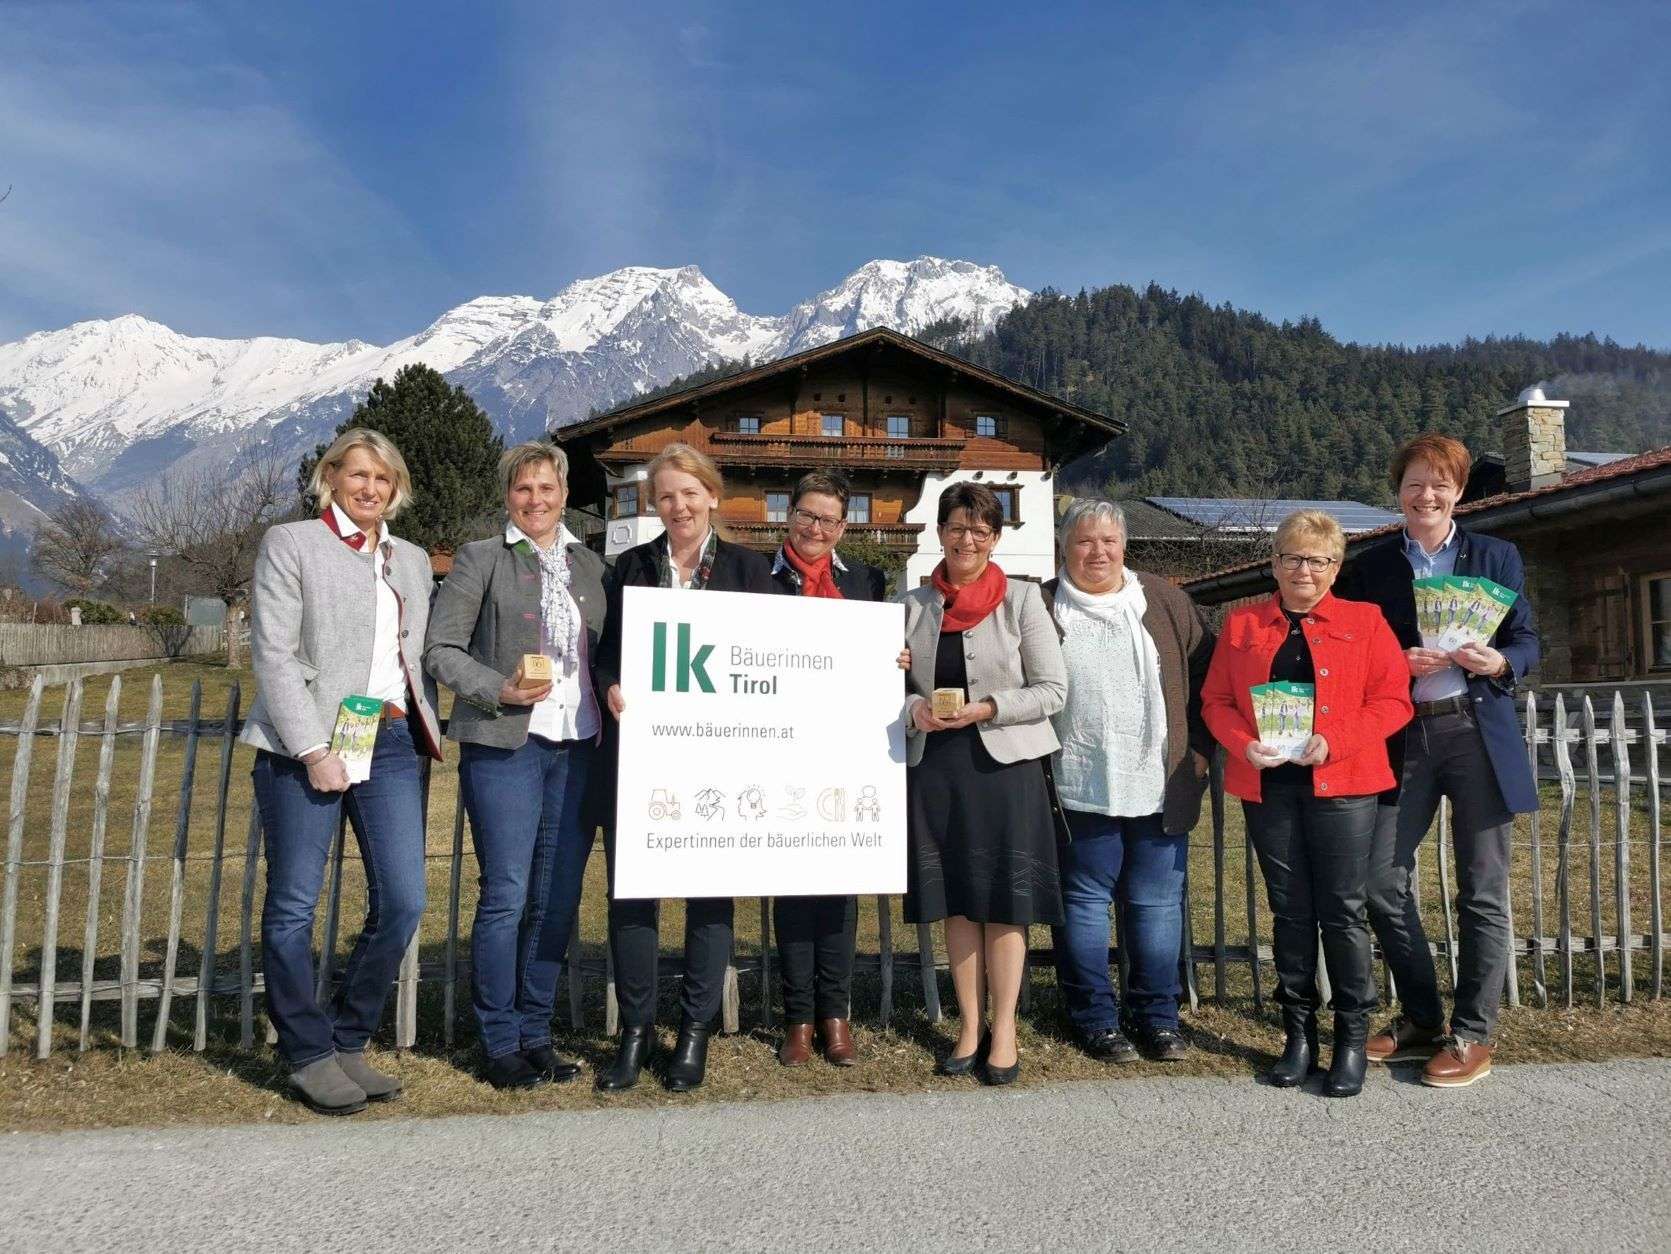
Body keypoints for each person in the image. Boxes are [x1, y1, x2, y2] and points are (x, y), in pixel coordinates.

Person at [242, 429, 443, 1115]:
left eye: (382, 478)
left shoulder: (410, 559)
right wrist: (312, 749)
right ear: (331, 476)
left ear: (396, 488)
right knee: (295, 903)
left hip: (387, 740)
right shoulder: (291, 542)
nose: (369, 488)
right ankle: (304, 1050)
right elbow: (272, 655)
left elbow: (419, 654)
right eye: (356, 474)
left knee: (405, 900)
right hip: (307, 746)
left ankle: (348, 1037)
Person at [1337, 434, 1541, 1088]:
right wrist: (1389, 664)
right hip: (1403, 737)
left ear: (1457, 492)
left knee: (1481, 889)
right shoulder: (1368, 568)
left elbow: (1528, 639)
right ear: (1397, 492)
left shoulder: (1495, 556)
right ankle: (1422, 1016)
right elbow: (1341, 652)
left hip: (1477, 732)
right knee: (1378, 880)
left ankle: (1472, 1032)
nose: (1426, 496)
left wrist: (1502, 661)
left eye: (1439, 485)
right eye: (1413, 485)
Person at [1202, 510, 1412, 1098]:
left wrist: (1336, 740)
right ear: (1274, 562)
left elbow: (1394, 700)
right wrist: (1243, 743)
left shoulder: (1365, 621)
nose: (1304, 570)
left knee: (1343, 910)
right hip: (1269, 786)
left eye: (1318, 560)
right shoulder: (1243, 623)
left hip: (1343, 784)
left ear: (1335, 568)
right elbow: (1216, 700)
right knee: (1290, 912)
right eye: (1293, 557)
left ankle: (1350, 1039)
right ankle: (1298, 1037)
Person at [424, 440, 608, 1090]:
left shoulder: (591, 565)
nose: (536, 499)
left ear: (563, 493)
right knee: (506, 895)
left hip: (578, 745)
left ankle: (537, 1034)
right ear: (508, 495)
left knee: (555, 900)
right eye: (523, 488)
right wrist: (496, 688)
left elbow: (609, 653)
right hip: (506, 744)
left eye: (546, 487)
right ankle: (498, 1040)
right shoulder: (480, 559)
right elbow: (440, 649)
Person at [592, 443, 774, 1092]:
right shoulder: (632, 567)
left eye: (689, 492)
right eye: (666, 496)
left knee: (709, 899)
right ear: (654, 505)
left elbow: (784, 653)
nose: (679, 505)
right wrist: (610, 685)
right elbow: (606, 655)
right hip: (644, 757)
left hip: (718, 763)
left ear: (712, 495)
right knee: (633, 897)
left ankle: (693, 1032)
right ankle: (637, 1030)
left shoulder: (749, 570)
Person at [901, 482, 1067, 1086]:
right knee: (957, 902)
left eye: (980, 530)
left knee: (1004, 902)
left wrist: (988, 707)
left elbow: (1054, 689)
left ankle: (1005, 1028)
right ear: (939, 532)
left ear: (996, 539)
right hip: (938, 771)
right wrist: (913, 708)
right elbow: (891, 686)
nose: (967, 539)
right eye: (956, 527)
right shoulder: (913, 605)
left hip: (1006, 770)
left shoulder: (1023, 601)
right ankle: (969, 1024)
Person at [1041, 499, 1216, 1064]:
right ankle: (1094, 1017)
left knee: (1156, 904)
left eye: (1109, 541)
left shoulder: (1163, 601)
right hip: (1078, 778)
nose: (1097, 552)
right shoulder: (1043, 605)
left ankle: (1157, 1017)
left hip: (1159, 780)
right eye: (1085, 541)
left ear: (1124, 545)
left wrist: (1200, 754)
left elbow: (1207, 679)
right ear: (1065, 547)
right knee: (1086, 902)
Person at [764, 470, 888, 1069]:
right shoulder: (755, 581)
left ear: (844, 526)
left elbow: (881, 662)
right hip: (780, 749)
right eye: (807, 516)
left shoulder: (864, 582)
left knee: (839, 890)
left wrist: (896, 657)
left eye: (829, 520)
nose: (816, 528)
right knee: (792, 892)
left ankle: (835, 1014)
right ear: (789, 516)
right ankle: (798, 1019)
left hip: (844, 752)